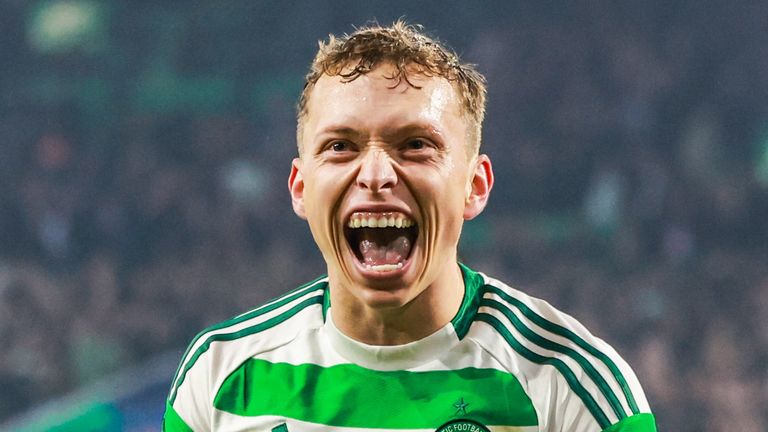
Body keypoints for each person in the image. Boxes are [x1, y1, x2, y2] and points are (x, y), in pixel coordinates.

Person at [163, 21, 657, 431]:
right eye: (340, 146)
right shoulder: (220, 377)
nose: (376, 175)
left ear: (475, 186)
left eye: (416, 144)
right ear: (299, 187)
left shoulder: (574, 388)